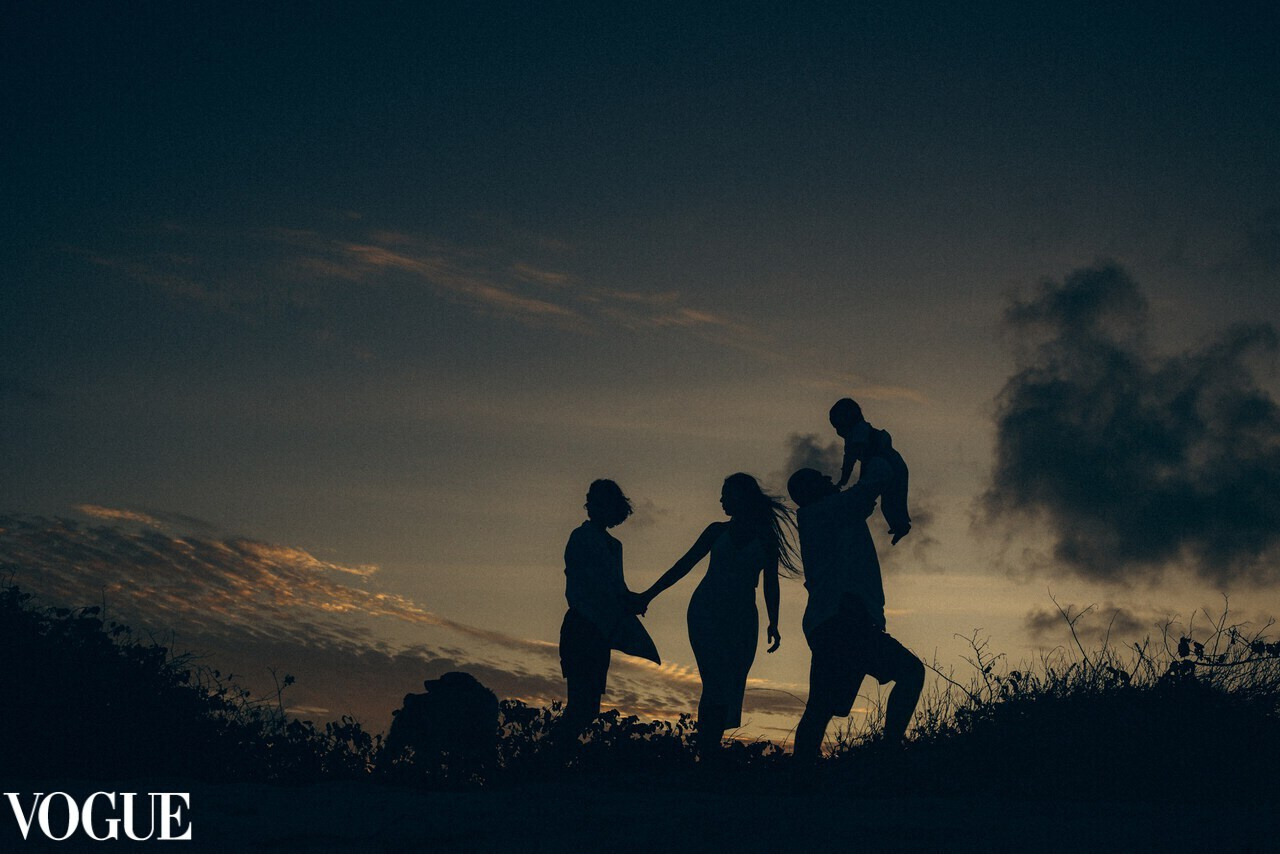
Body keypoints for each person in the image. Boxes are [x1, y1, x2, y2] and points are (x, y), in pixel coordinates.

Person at [638, 473, 800, 755]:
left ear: (743, 497)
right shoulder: (716, 531)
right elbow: (683, 565)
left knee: (730, 684)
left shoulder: (766, 540)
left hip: (742, 618)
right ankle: (707, 752)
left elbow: (771, 583)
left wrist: (774, 621)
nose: (721, 499)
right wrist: (648, 595)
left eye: (727, 493)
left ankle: (708, 749)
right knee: (714, 683)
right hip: (707, 611)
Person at [786, 466, 924, 761]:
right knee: (911, 672)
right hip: (844, 620)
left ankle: (800, 775)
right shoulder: (825, 511)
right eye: (820, 478)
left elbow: (864, 500)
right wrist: (877, 455)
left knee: (820, 706)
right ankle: (889, 753)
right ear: (809, 492)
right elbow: (868, 488)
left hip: (836, 621)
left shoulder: (830, 513)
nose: (828, 478)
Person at [558, 479, 659, 741]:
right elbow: (593, 584)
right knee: (581, 705)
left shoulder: (614, 546)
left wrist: (629, 600)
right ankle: (549, 760)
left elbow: (615, 587)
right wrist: (626, 600)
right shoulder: (581, 537)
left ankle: (552, 758)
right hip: (582, 627)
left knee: (588, 708)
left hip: (598, 632)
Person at [829, 397, 912, 545]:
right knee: (889, 501)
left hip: (889, 462)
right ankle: (899, 526)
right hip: (886, 464)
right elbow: (849, 460)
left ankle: (901, 524)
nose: (837, 431)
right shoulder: (851, 437)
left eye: (838, 426)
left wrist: (861, 480)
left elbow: (862, 455)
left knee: (894, 498)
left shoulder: (860, 430)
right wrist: (843, 479)